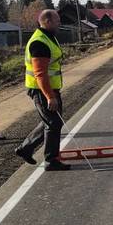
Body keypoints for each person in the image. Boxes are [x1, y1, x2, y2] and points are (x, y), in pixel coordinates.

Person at [14, 9, 70, 170]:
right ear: (47, 21)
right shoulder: (39, 43)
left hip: (50, 87)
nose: (60, 23)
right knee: (53, 123)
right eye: (57, 20)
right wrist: (49, 96)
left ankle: (25, 149)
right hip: (41, 89)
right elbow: (40, 74)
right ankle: (51, 161)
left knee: (51, 121)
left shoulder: (48, 37)